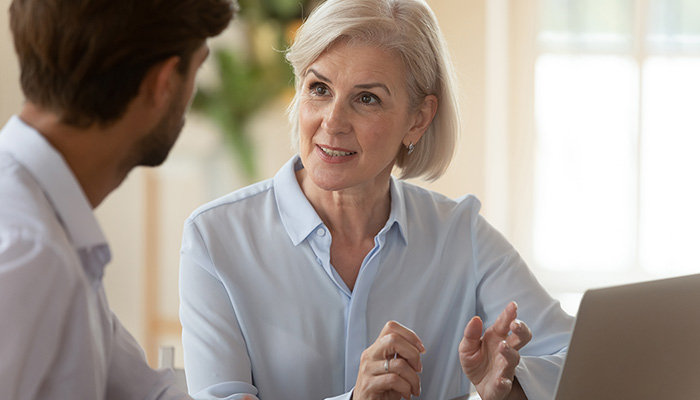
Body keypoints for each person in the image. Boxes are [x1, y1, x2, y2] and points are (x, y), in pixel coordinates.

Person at [179, 0, 574, 399]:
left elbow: (577, 357)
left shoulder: (460, 234)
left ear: (418, 119)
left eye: (366, 98)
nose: (332, 122)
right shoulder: (214, 238)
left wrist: (510, 390)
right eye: (319, 88)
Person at [0, 0, 239, 399]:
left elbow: (149, 393)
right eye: (196, 70)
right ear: (162, 85)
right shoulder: (32, 250)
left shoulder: (58, 236)